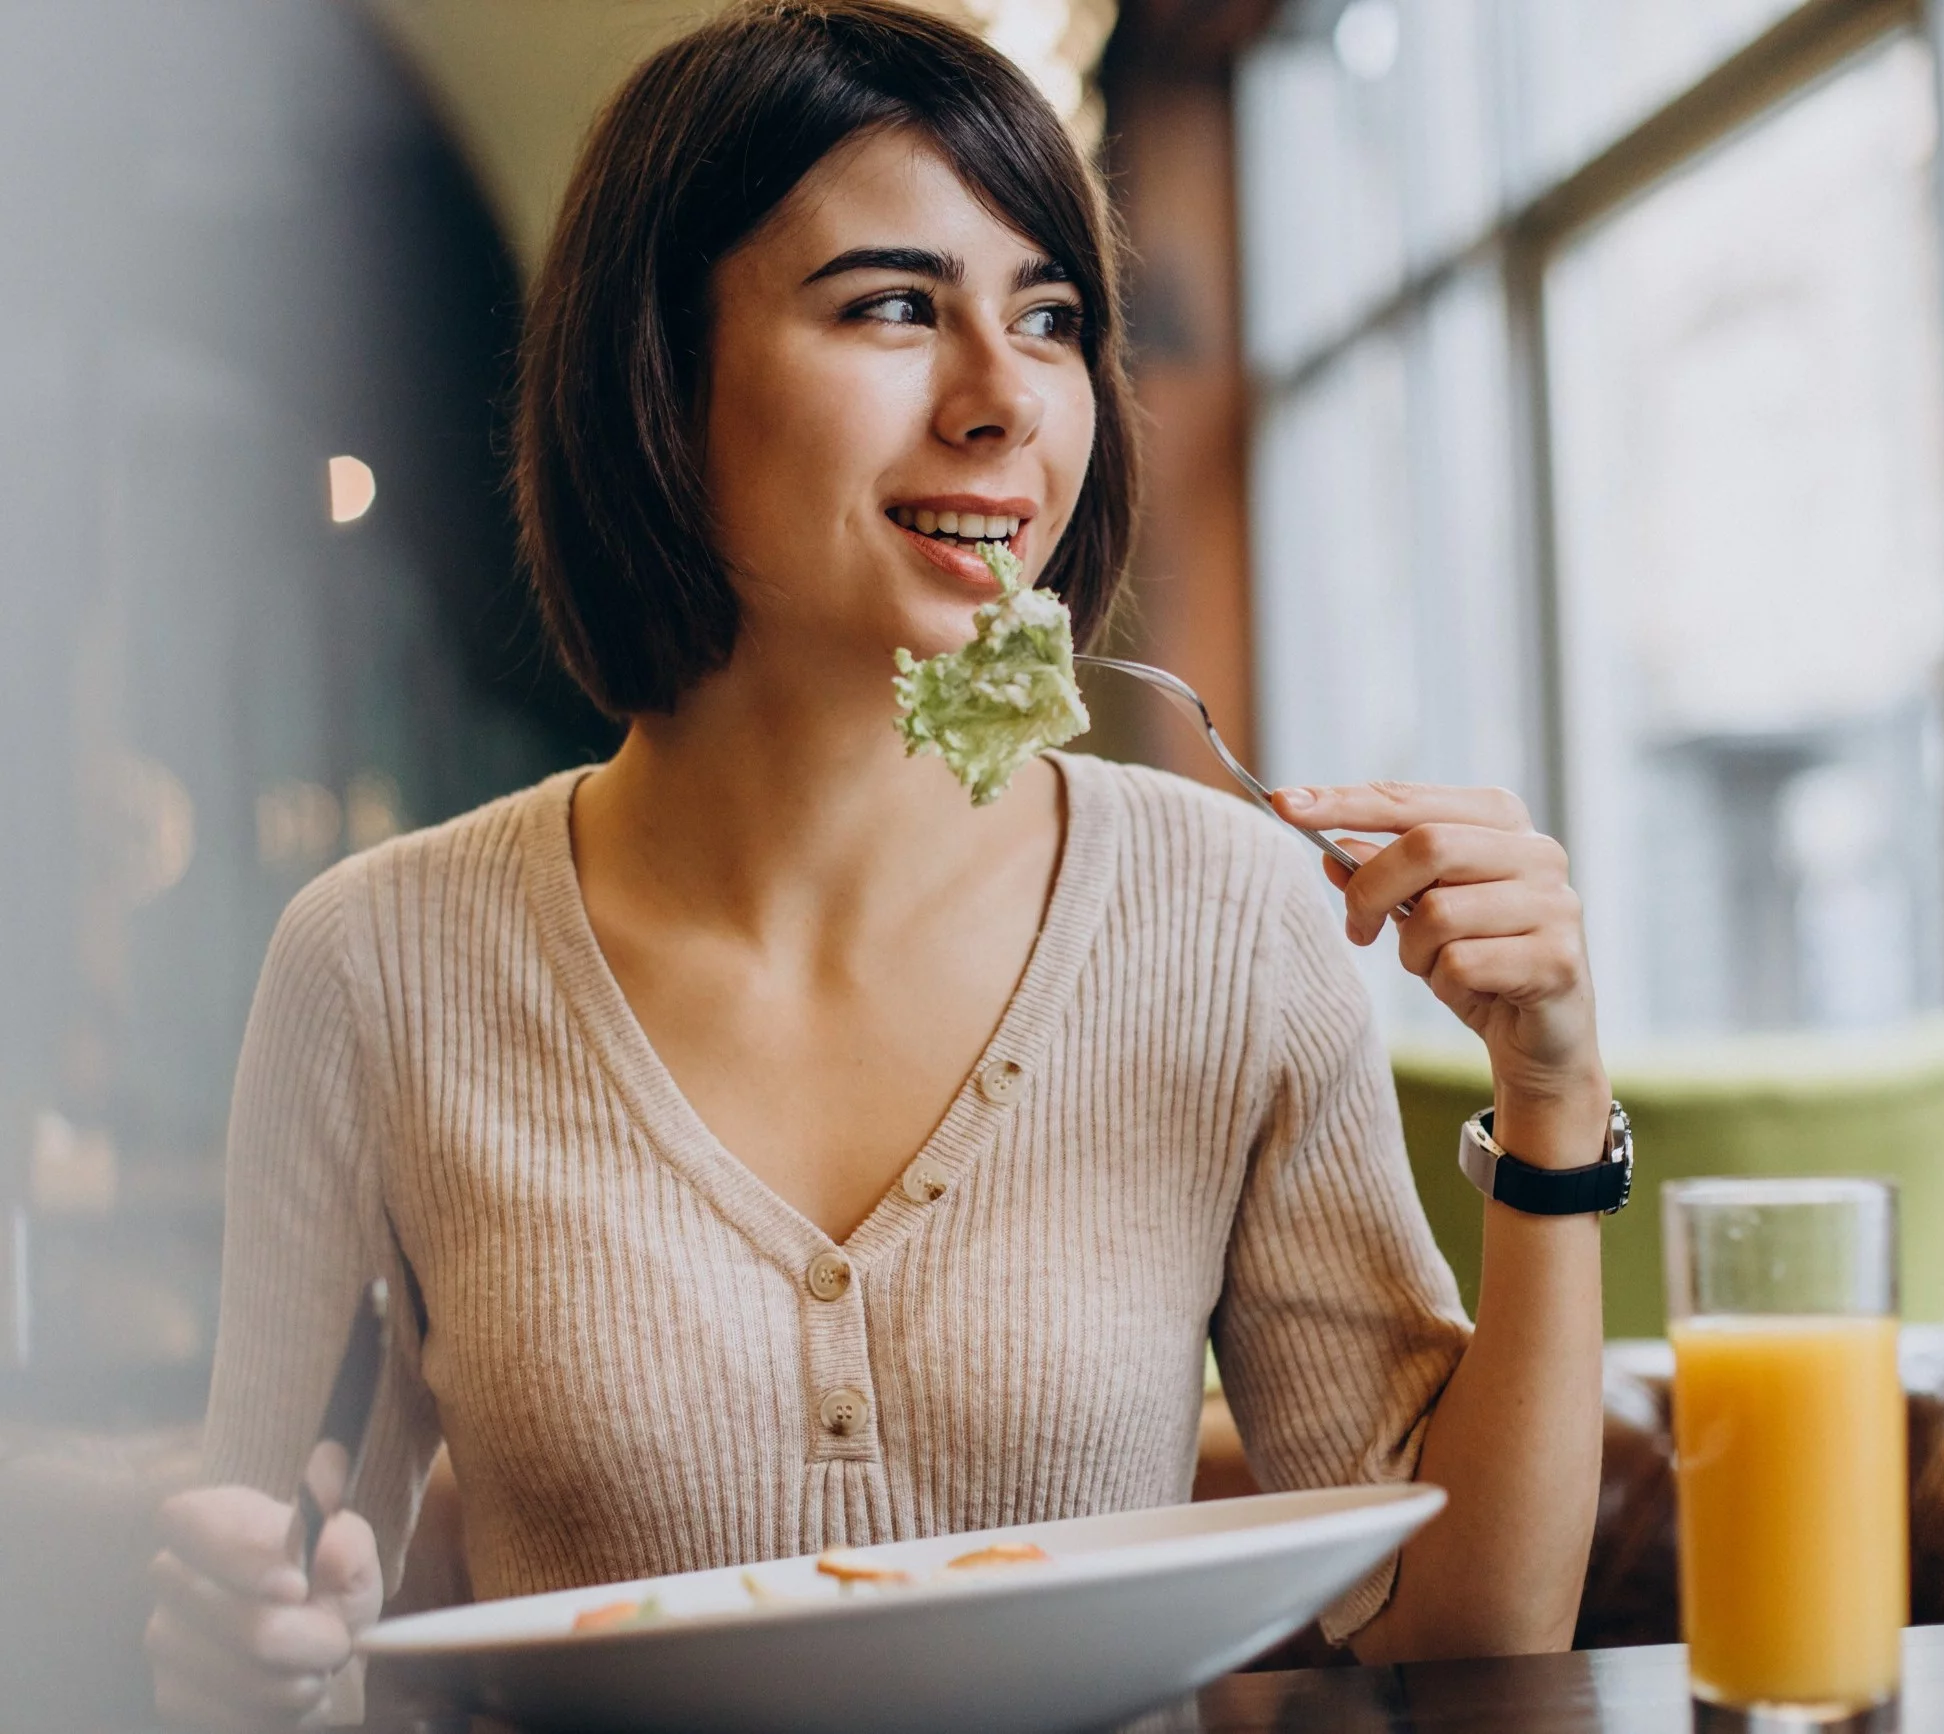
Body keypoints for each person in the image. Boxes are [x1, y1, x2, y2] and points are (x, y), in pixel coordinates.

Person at [143, 3, 1609, 1724]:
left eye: (1048, 317)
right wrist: (250, 1653)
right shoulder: (376, 964)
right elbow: (274, 1642)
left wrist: (1554, 1096)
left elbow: (1460, 1619)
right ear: (658, 378)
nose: (1005, 400)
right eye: (895, 306)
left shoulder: (1233, 916)